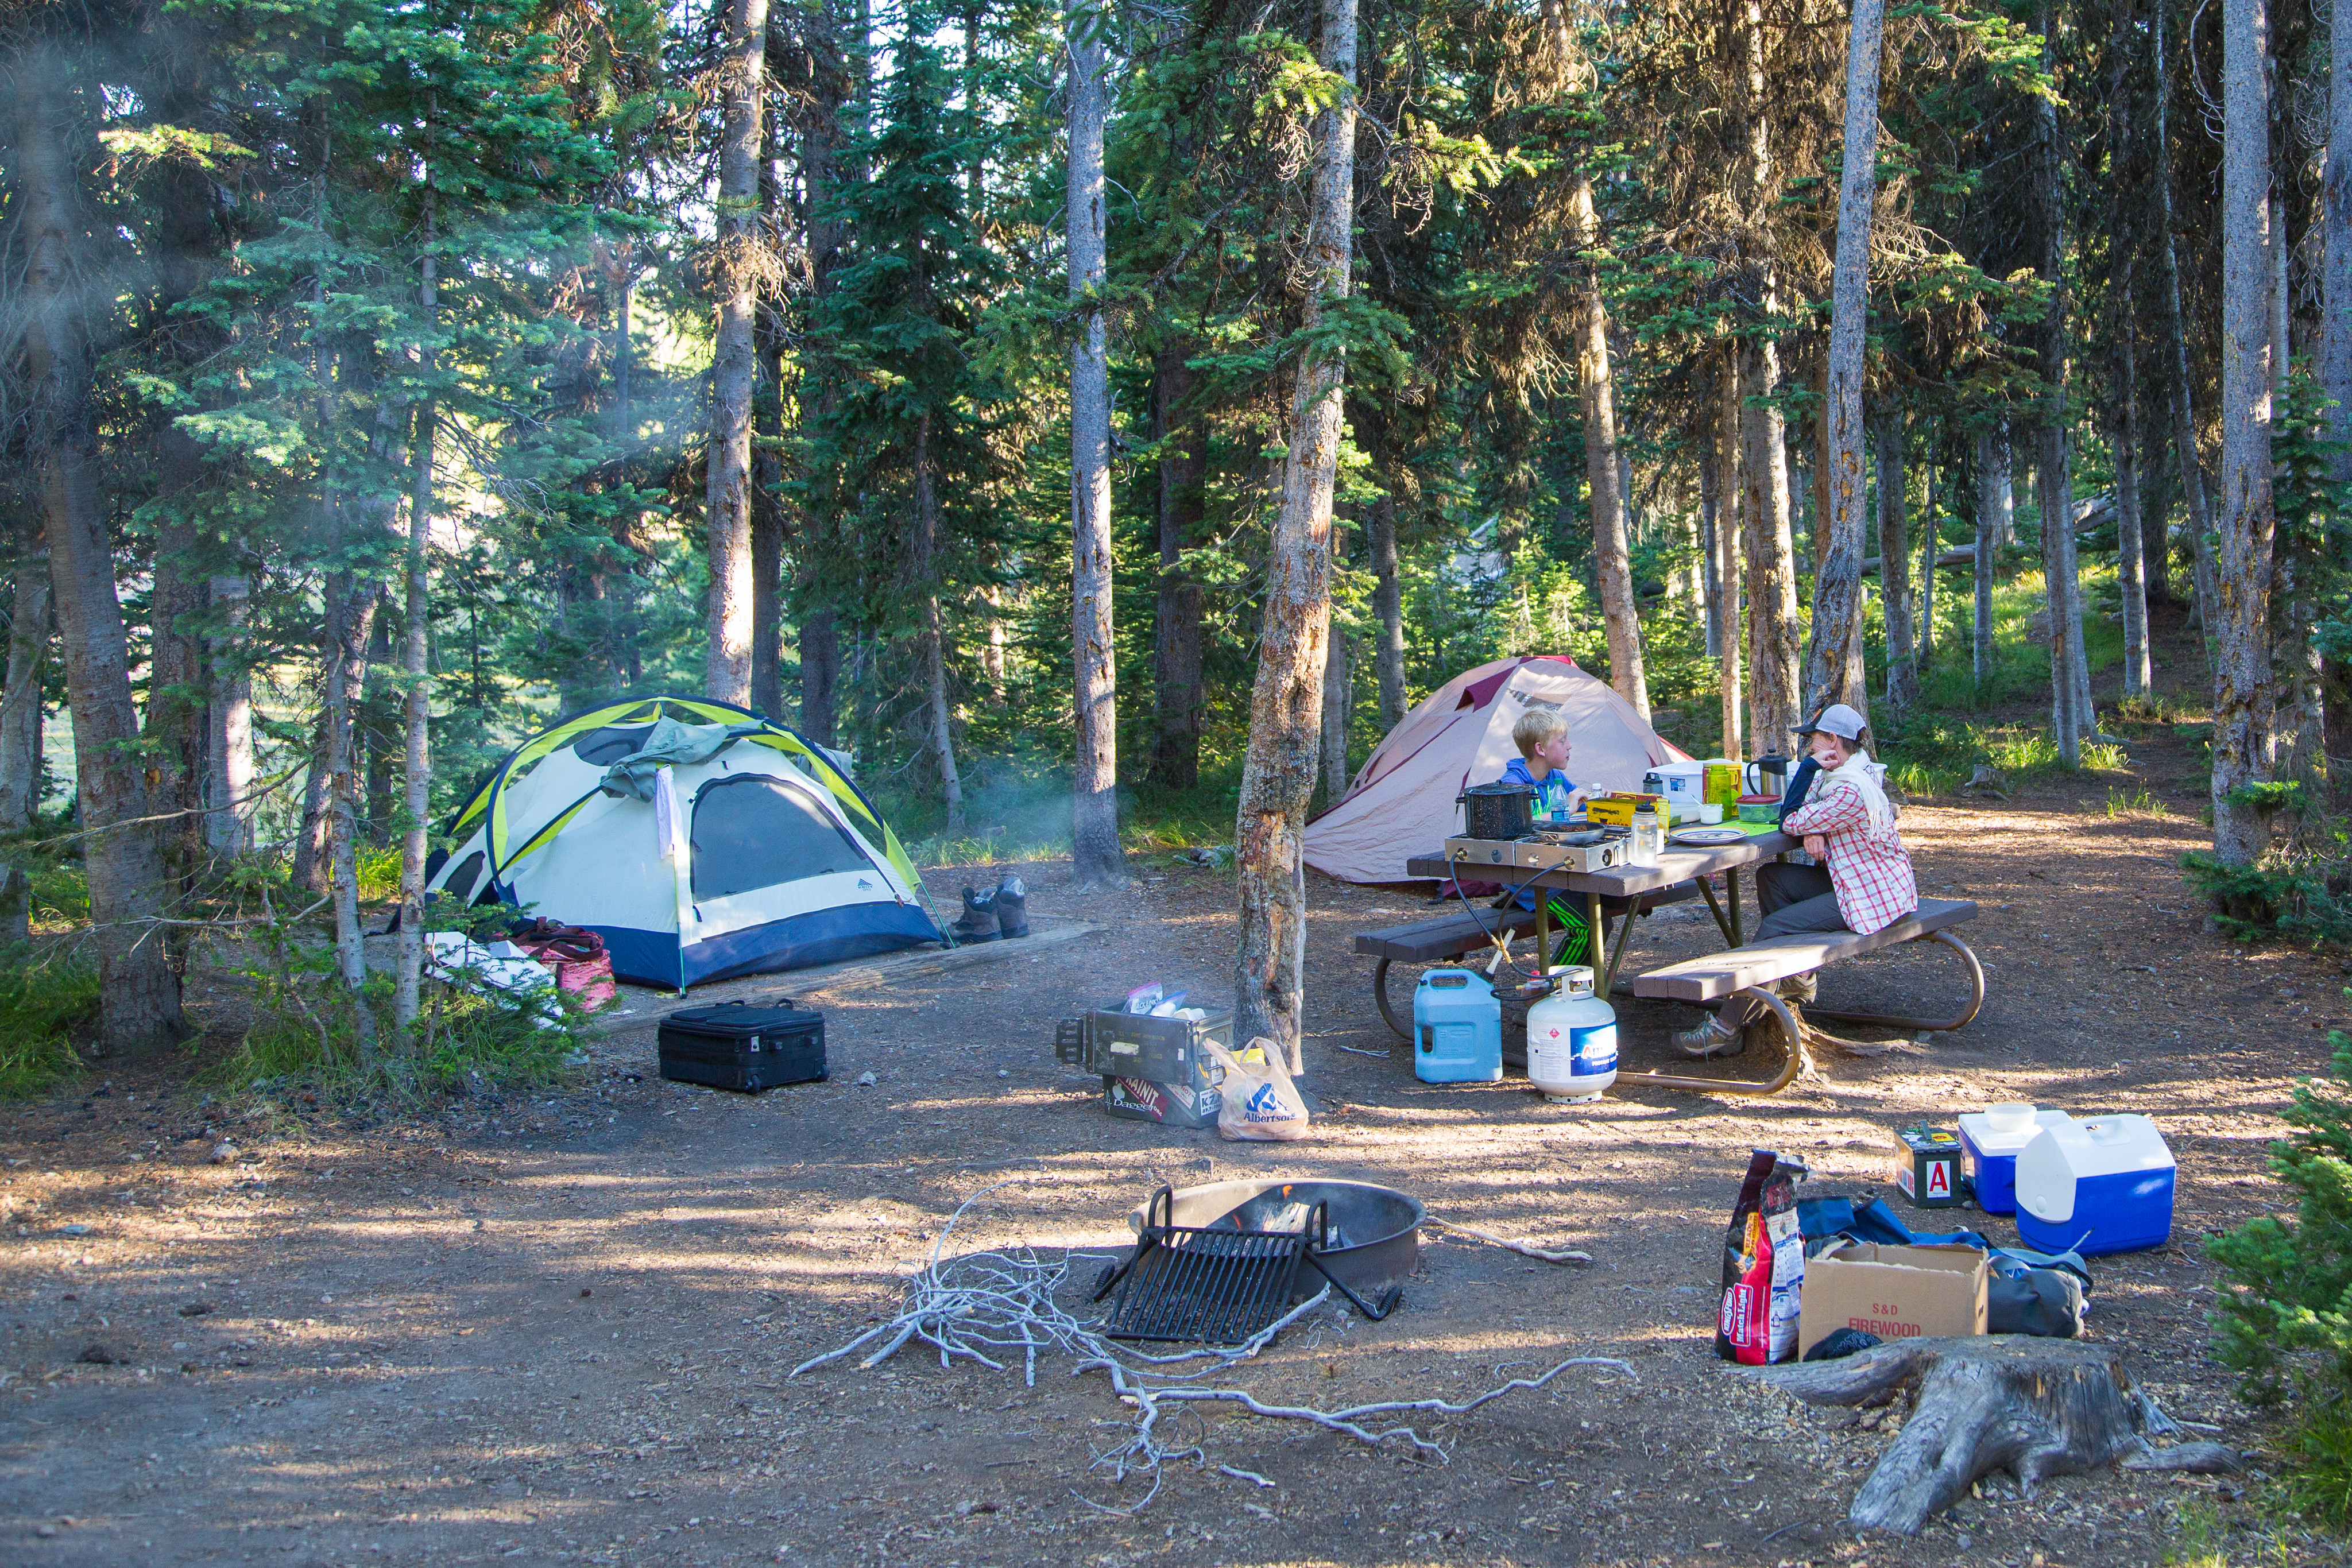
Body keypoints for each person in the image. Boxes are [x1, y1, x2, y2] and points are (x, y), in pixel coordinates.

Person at [1672, 702, 1917, 1059]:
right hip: (1858, 880)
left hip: (1871, 896)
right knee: (1773, 877)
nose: (1809, 748)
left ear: (1833, 739)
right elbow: (1807, 809)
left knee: (1776, 927)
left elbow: (1789, 817)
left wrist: (1806, 780)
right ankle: (1796, 981)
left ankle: (1725, 1028)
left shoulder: (1849, 790)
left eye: (1813, 740)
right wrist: (1812, 831)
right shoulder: (1852, 773)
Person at [1499, 708, 1585, 823]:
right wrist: (1565, 811)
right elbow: (1517, 824)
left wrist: (1600, 798)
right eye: (1563, 740)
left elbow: (1581, 805)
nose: (1569, 746)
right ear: (1541, 749)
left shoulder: (1555, 777)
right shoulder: (1512, 784)